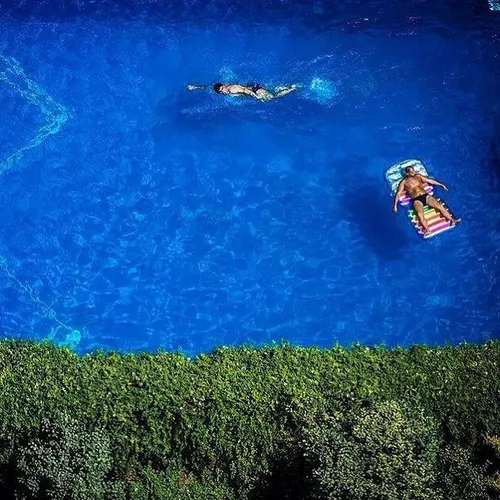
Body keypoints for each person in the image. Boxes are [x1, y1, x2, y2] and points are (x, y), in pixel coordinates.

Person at [392, 166, 461, 237]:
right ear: (407, 173)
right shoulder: (404, 182)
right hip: (416, 200)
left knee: (440, 206)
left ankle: (452, 220)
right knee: (419, 214)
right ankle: (428, 230)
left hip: (426, 196)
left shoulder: (418, 176)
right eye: (412, 172)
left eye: (414, 171)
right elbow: (398, 193)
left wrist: (442, 185)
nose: (414, 173)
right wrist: (395, 206)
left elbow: (430, 181)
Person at [186, 82, 297, 101]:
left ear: (224, 86)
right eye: (220, 92)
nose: (222, 92)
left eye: (222, 89)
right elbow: (209, 88)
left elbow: (244, 90)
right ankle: (282, 87)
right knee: (271, 91)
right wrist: (195, 87)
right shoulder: (222, 89)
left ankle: (292, 88)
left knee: (272, 97)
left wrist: (255, 96)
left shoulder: (232, 89)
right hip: (253, 87)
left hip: (254, 90)